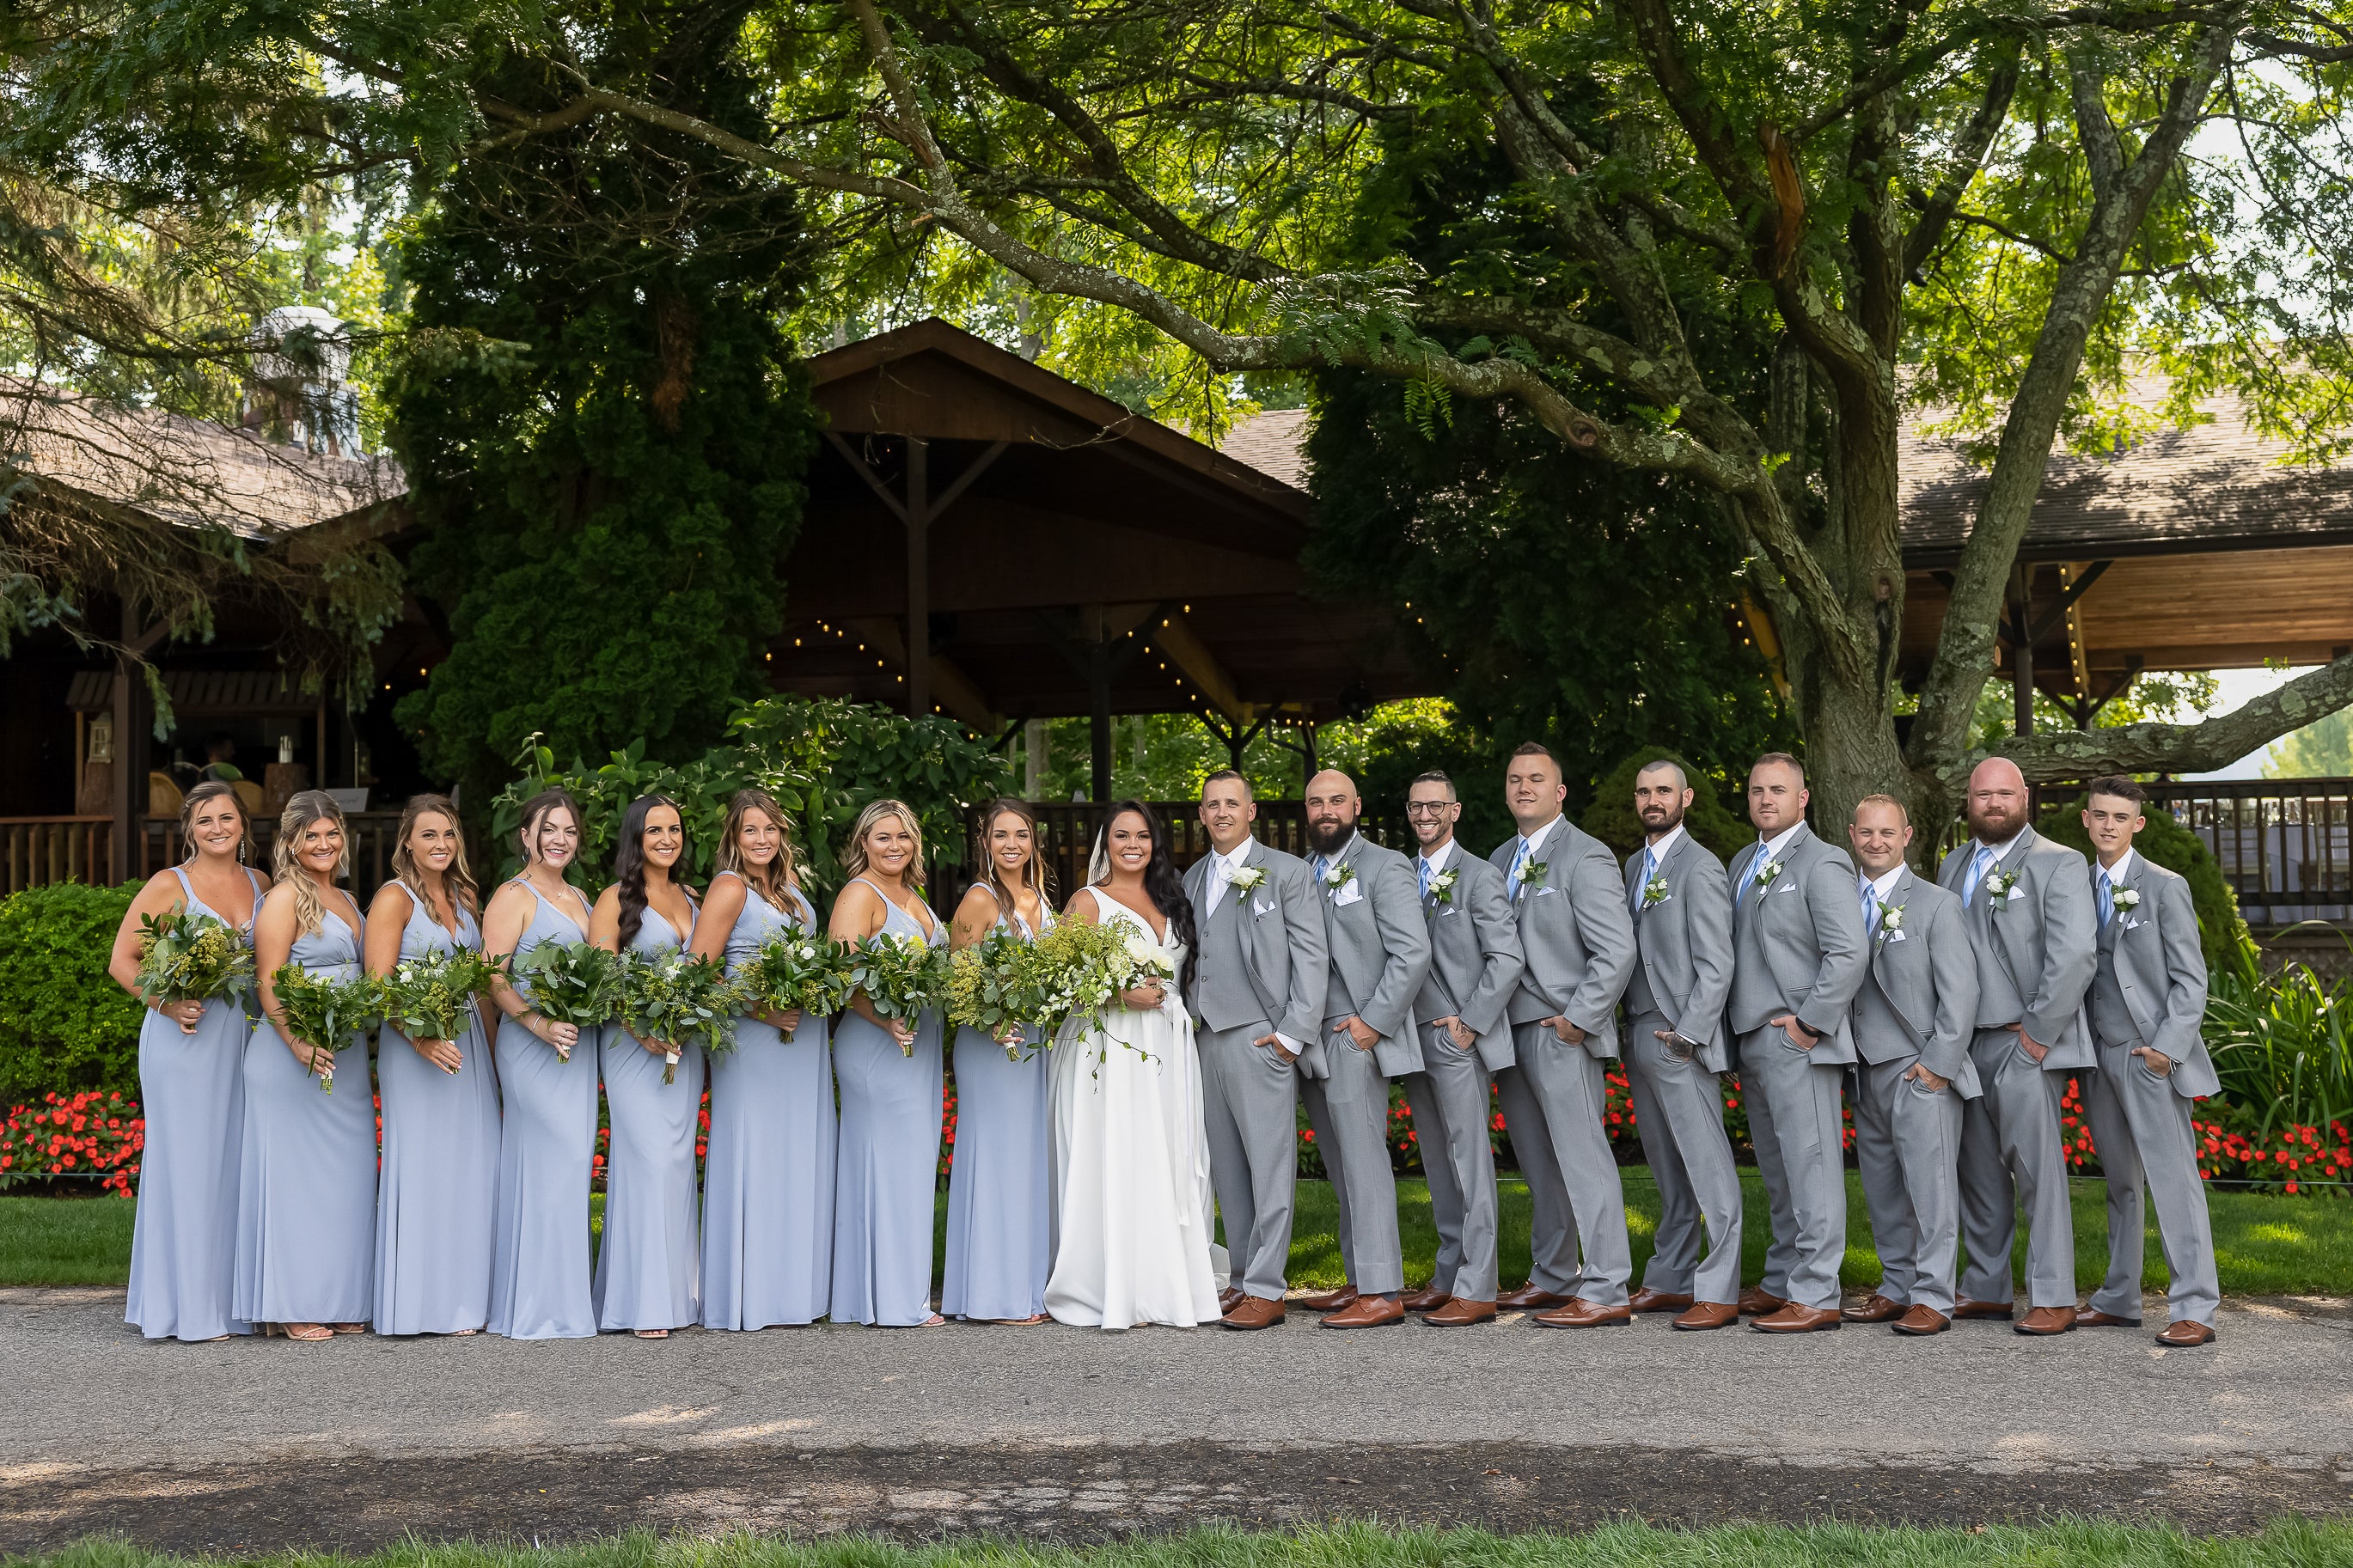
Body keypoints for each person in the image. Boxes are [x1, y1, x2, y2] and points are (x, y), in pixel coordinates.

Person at [1043, 802, 1224, 1329]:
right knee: (1119, 1151)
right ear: (1107, 841)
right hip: (1112, 1048)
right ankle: (1112, 1283)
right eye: (1122, 835)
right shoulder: (1087, 902)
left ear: (1154, 843)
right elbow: (1058, 980)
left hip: (1169, 1043)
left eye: (1142, 836)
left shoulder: (1172, 896)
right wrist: (1118, 994)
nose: (1132, 845)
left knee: (1167, 1151)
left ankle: (1166, 1279)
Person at [1938, 757, 2097, 1335]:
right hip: (1964, 1045)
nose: (1994, 803)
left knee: (2036, 1171)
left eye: (2005, 793)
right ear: (1970, 799)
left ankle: (2054, 1292)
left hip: (2023, 1043)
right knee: (1976, 1169)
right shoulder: (1952, 864)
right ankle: (1985, 1285)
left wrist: (2037, 1036)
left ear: (2024, 797)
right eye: (1983, 794)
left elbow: (2075, 954)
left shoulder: (2060, 863)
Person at [108, 780, 269, 1342]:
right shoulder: (167, 885)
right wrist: (167, 1002)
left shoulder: (262, 883)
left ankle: (232, 1302)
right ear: (189, 830)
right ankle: (184, 1307)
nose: (218, 827)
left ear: (244, 824)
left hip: (243, 1039)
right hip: (184, 1037)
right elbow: (122, 961)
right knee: (189, 1165)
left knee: (234, 1162)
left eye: (227, 817)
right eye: (206, 820)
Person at [1486, 742, 1639, 1328]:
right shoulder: (1501, 856)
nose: (1524, 786)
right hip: (1510, 1031)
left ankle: (1606, 1285)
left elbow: (1617, 948)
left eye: (1536, 778)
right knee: (1538, 1163)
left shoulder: (1586, 855)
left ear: (1560, 791)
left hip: (1561, 1029)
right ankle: (1554, 1273)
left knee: (1583, 1158)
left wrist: (1581, 1016)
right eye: (1515, 777)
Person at [1180, 769, 1328, 1331]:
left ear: (1251, 810)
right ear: (1202, 814)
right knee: (1229, 1166)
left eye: (1230, 803)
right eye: (1211, 804)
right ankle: (1241, 1278)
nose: (1220, 812)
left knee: (1269, 1165)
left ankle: (1268, 1287)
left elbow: (1311, 956)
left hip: (1261, 1037)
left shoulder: (1286, 872)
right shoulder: (1193, 877)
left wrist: (1292, 1034)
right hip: (1205, 1037)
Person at [2075, 778, 2220, 1347]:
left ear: (2137, 823)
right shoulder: (2073, 887)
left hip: (2148, 1052)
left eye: (2120, 816)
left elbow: (2191, 978)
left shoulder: (2163, 886)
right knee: (2120, 1181)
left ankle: (2195, 1306)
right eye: (2100, 814)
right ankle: (2119, 1296)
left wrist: (2167, 1048)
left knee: (2173, 1180)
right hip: (2096, 1053)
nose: (2109, 824)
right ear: (2086, 820)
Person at [1726, 753, 1867, 1333]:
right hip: (1752, 1038)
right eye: (1757, 789)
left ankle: (1816, 1291)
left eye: (1778, 790)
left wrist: (1810, 1023)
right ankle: (1784, 1277)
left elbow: (1850, 951)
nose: (1765, 799)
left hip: (1797, 1040)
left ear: (1802, 798)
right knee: (1779, 1169)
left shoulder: (1823, 861)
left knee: (1811, 1168)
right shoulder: (1742, 861)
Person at [1293, 769, 1430, 1330]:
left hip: (1355, 1033)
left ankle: (1382, 1290)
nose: (1326, 809)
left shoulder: (1385, 865)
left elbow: (1412, 952)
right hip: (1310, 1036)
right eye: (1316, 801)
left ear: (1356, 805)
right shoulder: (1301, 873)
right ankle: (1358, 1277)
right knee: (1341, 1164)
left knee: (1366, 1162)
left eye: (1336, 800)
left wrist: (1372, 1024)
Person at [236, 790, 376, 1339]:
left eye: (332, 834)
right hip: (290, 1056)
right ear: (291, 844)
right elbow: (268, 980)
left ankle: (337, 1295)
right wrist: (296, 1042)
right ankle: (291, 1305)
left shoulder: (346, 898)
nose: (324, 844)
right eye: (311, 836)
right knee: (294, 1182)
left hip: (343, 1056)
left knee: (346, 1176)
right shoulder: (282, 899)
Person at [695, 788, 834, 1331]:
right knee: (757, 1153)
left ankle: (793, 1293)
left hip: (802, 1040)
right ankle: (750, 1293)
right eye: (750, 830)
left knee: (796, 1155)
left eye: (770, 829)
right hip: (754, 1040)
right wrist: (761, 1010)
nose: (761, 839)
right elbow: (699, 972)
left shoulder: (793, 891)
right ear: (734, 837)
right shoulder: (730, 888)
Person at [1841, 795, 1980, 1336]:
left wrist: (1937, 1067)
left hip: (1917, 1068)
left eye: (1887, 833)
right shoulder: (1841, 902)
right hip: (1862, 1067)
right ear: (1852, 835)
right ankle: (1896, 1285)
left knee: (1930, 1187)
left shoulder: (1936, 904)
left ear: (1907, 836)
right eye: (1866, 833)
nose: (1876, 842)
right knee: (1882, 1187)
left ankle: (1934, 1294)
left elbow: (1960, 993)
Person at [1615, 759, 1743, 1332]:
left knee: (1708, 1168)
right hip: (1638, 1030)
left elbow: (1718, 963)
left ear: (1686, 797)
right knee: (1666, 1167)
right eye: (1644, 791)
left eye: (1663, 790)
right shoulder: (1634, 864)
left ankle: (1719, 1288)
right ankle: (1670, 1277)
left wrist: (1689, 1033)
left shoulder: (1701, 867)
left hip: (1678, 1035)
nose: (1652, 799)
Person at [367, 794, 501, 1336]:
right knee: (424, 1165)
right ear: (408, 842)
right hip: (416, 1044)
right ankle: (419, 1305)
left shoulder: (467, 898)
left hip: (468, 1039)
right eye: (429, 835)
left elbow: (485, 987)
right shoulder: (393, 899)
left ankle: (466, 1301)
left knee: (472, 1163)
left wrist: (494, 1057)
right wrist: (419, 1039)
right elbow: (377, 986)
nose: (441, 845)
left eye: (448, 835)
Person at [1398, 770, 1523, 1327]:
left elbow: (1508, 957)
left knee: (1469, 1160)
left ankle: (1479, 1283)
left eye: (1436, 806)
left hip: (1454, 1037)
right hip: (1410, 1037)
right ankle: (1448, 1273)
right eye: (1416, 806)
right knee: (1436, 1161)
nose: (1425, 815)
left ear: (1456, 810)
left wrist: (1470, 1023)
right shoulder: (1399, 876)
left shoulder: (1479, 875)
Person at [481, 788, 601, 1339]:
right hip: (532, 1044)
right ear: (526, 835)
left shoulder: (582, 897)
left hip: (574, 1045)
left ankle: (565, 1302)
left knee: (573, 1164)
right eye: (548, 829)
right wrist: (537, 1023)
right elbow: (493, 977)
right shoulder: (512, 895)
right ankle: (532, 1307)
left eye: (569, 831)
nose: (559, 839)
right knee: (546, 1160)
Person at [828, 799, 949, 1327]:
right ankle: (890, 1300)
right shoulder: (860, 893)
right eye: (882, 837)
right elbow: (840, 974)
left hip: (916, 1046)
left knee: (910, 1166)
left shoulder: (914, 896)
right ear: (863, 845)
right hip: (878, 1044)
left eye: (903, 836)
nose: (894, 845)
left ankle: (892, 1292)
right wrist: (884, 1020)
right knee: (886, 1163)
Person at [588, 795, 704, 1339]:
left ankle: (679, 1299)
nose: (666, 838)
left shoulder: (692, 896)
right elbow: (602, 976)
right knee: (648, 1163)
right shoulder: (614, 898)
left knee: (678, 1166)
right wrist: (644, 1031)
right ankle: (642, 1304)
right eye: (654, 830)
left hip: (686, 1045)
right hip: (634, 1047)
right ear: (635, 837)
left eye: (675, 829)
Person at [942, 800, 1056, 1325]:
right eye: (1001, 835)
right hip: (992, 1043)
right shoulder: (980, 899)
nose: (1012, 844)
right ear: (985, 843)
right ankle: (992, 1294)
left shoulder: (1038, 898)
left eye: (1022, 835)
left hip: (1032, 1044)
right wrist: (992, 1021)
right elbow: (956, 977)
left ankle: (1027, 1284)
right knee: (995, 1157)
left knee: (1027, 1158)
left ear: (1034, 842)